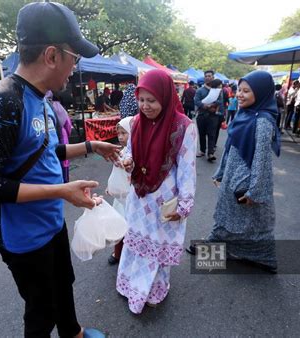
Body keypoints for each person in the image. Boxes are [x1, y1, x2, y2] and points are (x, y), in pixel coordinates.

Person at [0, 3, 121, 337]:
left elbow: (47, 151)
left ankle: (73, 333)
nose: (74, 68)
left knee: (63, 284)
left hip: (50, 222)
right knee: (41, 310)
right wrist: (61, 191)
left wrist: (93, 145)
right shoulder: (1, 102)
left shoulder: (43, 99)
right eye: (73, 57)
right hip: (22, 236)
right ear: (51, 55)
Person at [116, 69, 197, 314]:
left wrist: (185, 203)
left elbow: (187, 169)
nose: (145, 106)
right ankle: (130, 284)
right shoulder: (136, 122)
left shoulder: (184, 127)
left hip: (164, 199)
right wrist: (127, 161)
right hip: (139, 197)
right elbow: (128, 150)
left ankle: (154, 289)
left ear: (165, 96)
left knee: (158, 245)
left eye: (151, 100)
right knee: (136, 243)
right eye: (141, 100)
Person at [187, 70, 281, 273]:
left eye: (247, 91)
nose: (240, 94)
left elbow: (262, 159)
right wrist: (221, 172)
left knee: (247, 219)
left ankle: (259, 256)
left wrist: (254, 190)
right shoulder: (245, 113)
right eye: (239, 89)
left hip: (246, 179)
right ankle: (236, 251)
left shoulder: (263, 120)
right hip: (233, 173)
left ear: (262, 92)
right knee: (233, 215)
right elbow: (231, 146)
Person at [106, 116, 133, 265]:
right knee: (119, 226)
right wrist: (111, 186)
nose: (120, 137)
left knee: (130, 228)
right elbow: (115, 174)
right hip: (120, 198)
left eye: (124, 133)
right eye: (119, 133)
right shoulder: (121, 151)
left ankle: (128, 255)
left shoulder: (138, 153)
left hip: (132, 198)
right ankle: (117, 253)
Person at [195, 70, 221, 162]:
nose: (208, 77)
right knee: (202, 134)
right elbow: (196, 101)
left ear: (213, 78)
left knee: (212, 135)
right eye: (206, 76)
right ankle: (202, 150)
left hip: (213, 116)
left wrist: (212, 105)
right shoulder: (199, 90)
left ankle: (210, 153)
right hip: (201, 115)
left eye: (210, 76)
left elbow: (220, 101)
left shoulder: (217, 91)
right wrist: (205, 106)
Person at [46, 90, 73, 182]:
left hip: (48, 143)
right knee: (64, 164)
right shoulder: (59, 107)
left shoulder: (39, 105)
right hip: (62, 137)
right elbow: (68, 125)